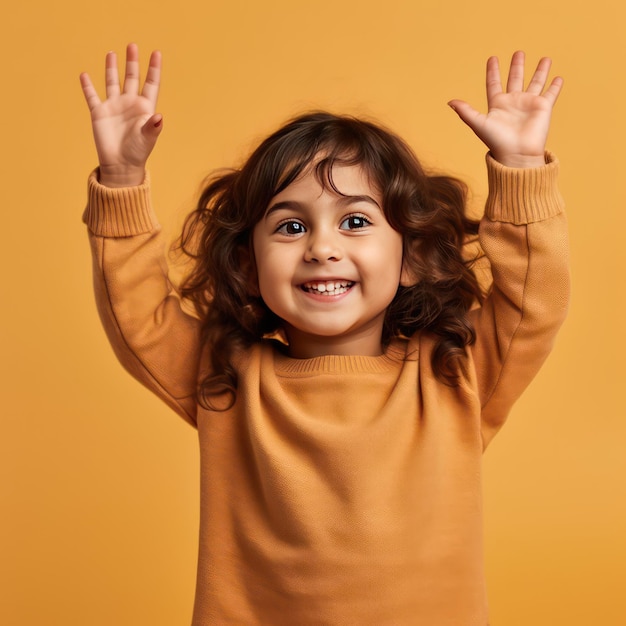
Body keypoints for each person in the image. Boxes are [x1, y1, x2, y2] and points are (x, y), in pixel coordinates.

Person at [80, 44, 569, 625]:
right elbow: (137, 314)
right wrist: (121, 178)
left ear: (411, 256)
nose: (322, 247)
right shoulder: (228, 381)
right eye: (290, 226)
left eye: (356, 221)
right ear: (248, 266)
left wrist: (520, 168)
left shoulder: (455, 377)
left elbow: (534, 298)